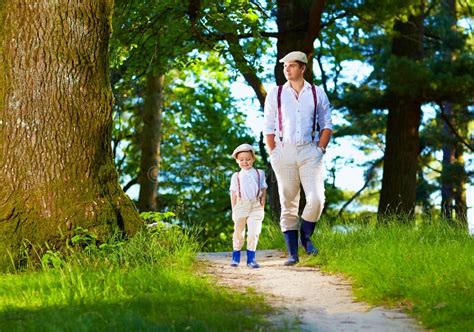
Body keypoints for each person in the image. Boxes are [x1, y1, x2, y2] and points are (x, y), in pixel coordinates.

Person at [263, 51, 332, 266]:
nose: (287, 69)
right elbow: (268, 125)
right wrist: (273, 152)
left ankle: (306, 236)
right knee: (289, 202)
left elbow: (327, 123)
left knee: (317, 199)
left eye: (292, 66)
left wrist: (320, 148)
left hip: (310, 151)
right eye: (285, 66)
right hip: (283, 152)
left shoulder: (317, 93)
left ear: (303, 68)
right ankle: (292, 254)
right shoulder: (275, 93)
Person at [229, 143, 267, 268]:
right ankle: (236, 256)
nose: (245, 162)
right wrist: (234, 208)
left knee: (254, 232)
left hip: (256, 205)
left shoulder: (259, 173)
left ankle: (251, 259)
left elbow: (263, 188)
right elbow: (233, 193)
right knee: (238, 232)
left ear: (253, 159)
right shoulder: (236, 176)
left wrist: (262, 204)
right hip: (241, 205)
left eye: (248, 159)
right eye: (241, 160)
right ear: (237, 161)